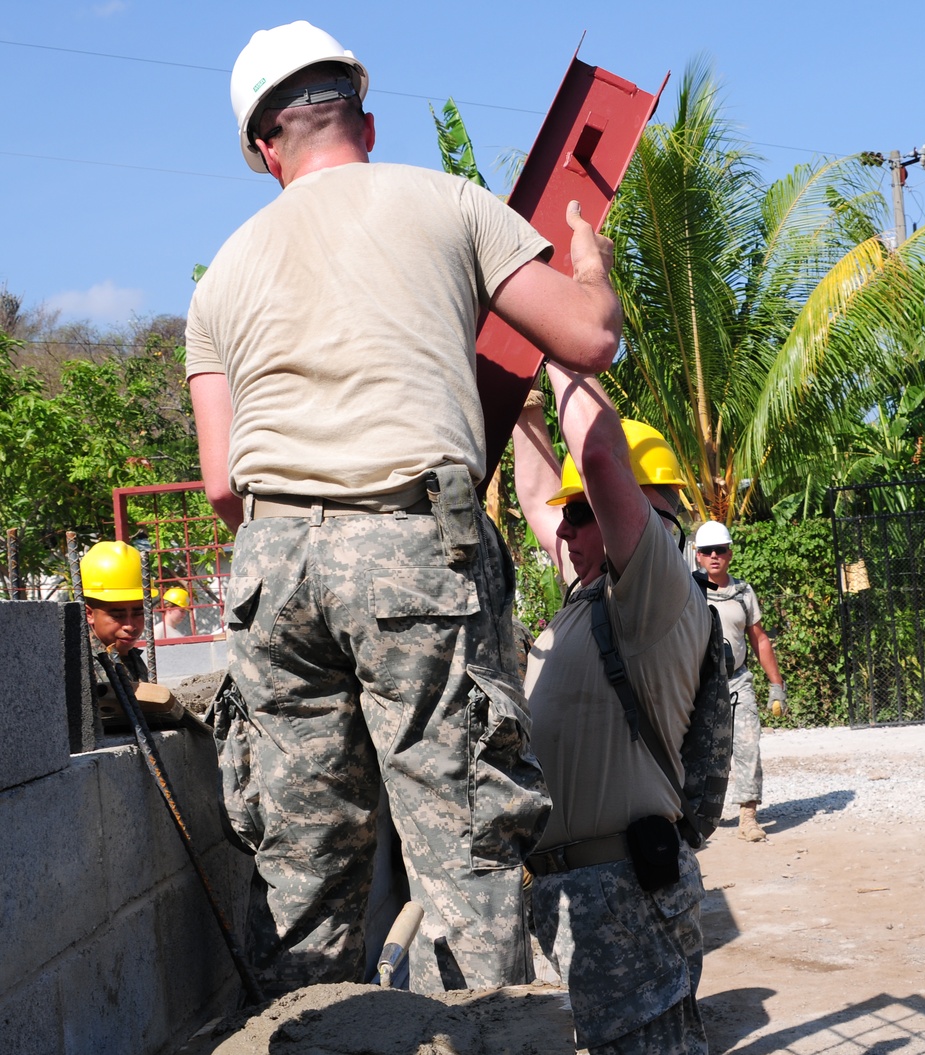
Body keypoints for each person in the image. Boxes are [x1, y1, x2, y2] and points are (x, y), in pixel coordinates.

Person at [184, 20, 621, 995]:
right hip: (412, 540)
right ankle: (486, 1022)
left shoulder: (219, 279)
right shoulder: (446, 203)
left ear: (265, 147)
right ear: (364, 122)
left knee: (301, 859)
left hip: (270, 566)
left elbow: (222, 485)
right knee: (461, 836)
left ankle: (310, 1023)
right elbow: (586, 337)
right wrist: (587, 259)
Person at [513, 364, 711, 1055]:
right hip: (576, 895)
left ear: (645, 508)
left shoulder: (655, 590)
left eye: (582, 512)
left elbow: (597, 455)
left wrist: (567, 331)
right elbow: (542, 496)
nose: (562, 530)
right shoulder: (591, 597)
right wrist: (524, 404)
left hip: (621, 893)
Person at [693, 521, 787, 843]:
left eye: (720, 550)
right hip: (697, 687)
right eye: (707, 551)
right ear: (698, 556)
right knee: (695, 752)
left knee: (748, 746)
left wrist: (777, 685)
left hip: (737, 682)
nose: (714, 556)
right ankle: (691, 817)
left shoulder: (743, 593)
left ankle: (748, 815)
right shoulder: (687, 592)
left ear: (730, 553)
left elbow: (760, 640)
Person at [81, 540, 157, 722]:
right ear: (89, 614)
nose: (130, 625)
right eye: (118, 615)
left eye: (138, 613)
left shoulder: (129, 658)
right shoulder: (80, 664)